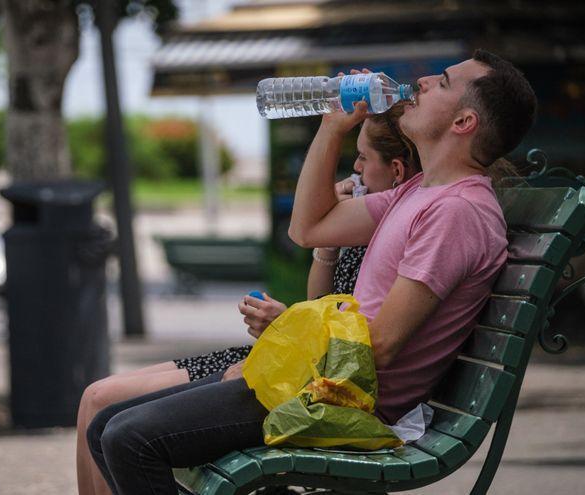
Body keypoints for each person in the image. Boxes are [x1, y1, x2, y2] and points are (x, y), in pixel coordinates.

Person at [87, 49, 538, 495]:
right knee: (106, 426)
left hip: (342, 400)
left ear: (463, 123)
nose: (422, 82)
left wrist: (285, 333)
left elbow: (379, 347)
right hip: (319, 380)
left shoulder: (456, 211)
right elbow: (309, 228)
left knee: (128, 439)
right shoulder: (423, 191)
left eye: (442, 82)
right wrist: (331, 126)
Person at [75, 104, 420, 495]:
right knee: (99, 404)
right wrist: (328, 242)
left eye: (362, 157)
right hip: (287, 359)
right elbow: (324, 299)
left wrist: (285, 323)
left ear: (396, 171)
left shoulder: (400, 221)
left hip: (304, 372)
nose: (354, 169)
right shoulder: (376, 215)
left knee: (107, 410)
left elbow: (351, 334)